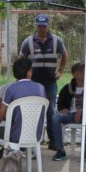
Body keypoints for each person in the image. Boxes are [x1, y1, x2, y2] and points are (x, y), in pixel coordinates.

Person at [19, 13, 67, 149]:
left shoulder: (56, 40)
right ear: (36, 26)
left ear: (48, 26)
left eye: (44, 26)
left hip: (51, 82)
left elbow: (64, 55)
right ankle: (33, 141)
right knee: (34, 111)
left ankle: (53, 142)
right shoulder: (28, 42)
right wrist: (25, 76)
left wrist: (61, 71)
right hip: (34, 84)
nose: (41, 29)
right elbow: (21, 60)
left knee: (51, 111)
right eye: (39, 26)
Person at [0, 56, 46, 149]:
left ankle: (2, 158)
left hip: (15, 135)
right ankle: (10, 156)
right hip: (36, 135)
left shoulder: (11, 89)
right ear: (29, 72)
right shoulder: (41, 88)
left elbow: (2, 113)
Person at [51, 62, 86, 162]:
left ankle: (85, 152)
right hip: (71, 114)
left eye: (84, 70)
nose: (82, 72)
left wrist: (83, 111)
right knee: (55, 118)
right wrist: (63, 109)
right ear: (73, 73)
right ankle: (60, 150)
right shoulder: (68, 88)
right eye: (79, 70)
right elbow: (60, 103)